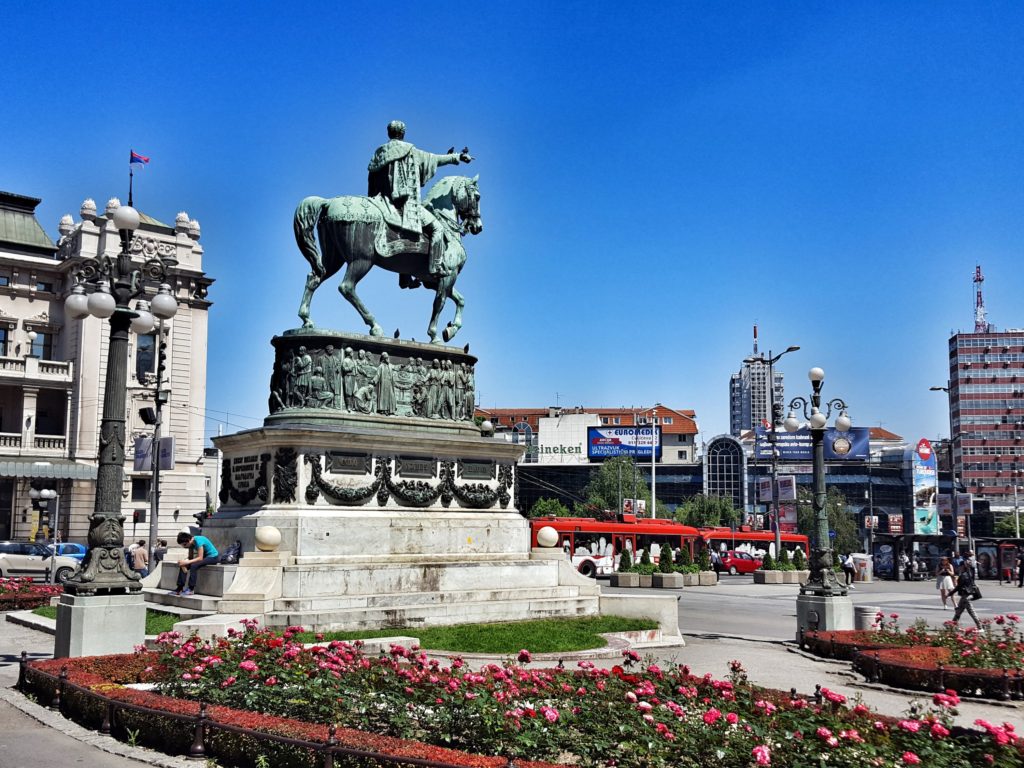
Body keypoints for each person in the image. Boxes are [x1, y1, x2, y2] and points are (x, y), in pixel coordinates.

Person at [367, 120, 472, 276]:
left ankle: (405, 278)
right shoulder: (410, 151)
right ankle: (435, 266)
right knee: (437, 228)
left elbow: (372, 180)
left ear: (389, 133)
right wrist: (457, 157)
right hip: (405, 204)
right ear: (402, 133)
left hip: (382, 202)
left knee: (407, 235)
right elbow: (435, 159)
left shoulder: (378, 154)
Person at [172, 530, 220, 596]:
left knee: (194, 566)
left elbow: (200, 558)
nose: (184, 546)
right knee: (184, 564)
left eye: (185, 544)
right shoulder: (190, 544)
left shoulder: (198, 540)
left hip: (213, 557)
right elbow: (190, 557)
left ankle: (191, 589)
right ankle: (179, 588)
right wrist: (184, 562)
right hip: (205, 557)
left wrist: (187, 561)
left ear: (189, 540)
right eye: (183, 545)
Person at [951, 559, 982, 628]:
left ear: (962, 567)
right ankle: (952, 625)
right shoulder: (969, 573)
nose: (959, 568)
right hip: (966, 595)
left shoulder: (963, 575)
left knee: (971, 612)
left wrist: (950, 593)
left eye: (960, 566)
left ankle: (980, 626)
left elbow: (959, 587)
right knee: (959, 611)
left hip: (966, 595)